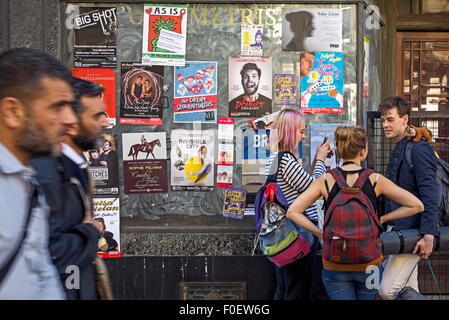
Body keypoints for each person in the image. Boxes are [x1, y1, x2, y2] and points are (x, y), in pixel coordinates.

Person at [286, 125, 424, 300]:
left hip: (334, 264)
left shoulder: (325, 180)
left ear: (339, 152)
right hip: (369, 266)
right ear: (363, 151)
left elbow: (293, 212)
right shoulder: (376, 180)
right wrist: (381, 218)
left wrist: (322, 234)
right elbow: (417, 205)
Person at [0, 47, 77, 299]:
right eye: (58, 107)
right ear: (12, 112)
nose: (69, 119)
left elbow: (40, 274)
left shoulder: (26, 180)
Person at [30, 78, 110, 300]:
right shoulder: (47, 172)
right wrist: (90, 232)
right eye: (97, 116)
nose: (105, 122)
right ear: (71, 123)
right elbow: (47, 254)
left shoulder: (75, 166)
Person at [376, 97, 440, 300]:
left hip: (414, 234)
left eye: (390, 119)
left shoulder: (419, 149)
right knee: (407, 289)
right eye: (383, 120)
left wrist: (428, 234)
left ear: (405, 120)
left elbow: (431, 193)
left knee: (387, 291)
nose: (385, 124)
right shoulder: (400, 147)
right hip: (400, 231)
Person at [265, 108, 330, 300]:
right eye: (301, 131)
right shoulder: (286, 159)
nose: (303, 136)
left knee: (285, 288)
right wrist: (320, 159)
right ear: (290, 132)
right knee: (298, 291)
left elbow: (301, 184)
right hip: (299, 236)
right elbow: (314, 190)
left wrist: (314, 165)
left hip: (283, 236)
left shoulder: (275, 159)